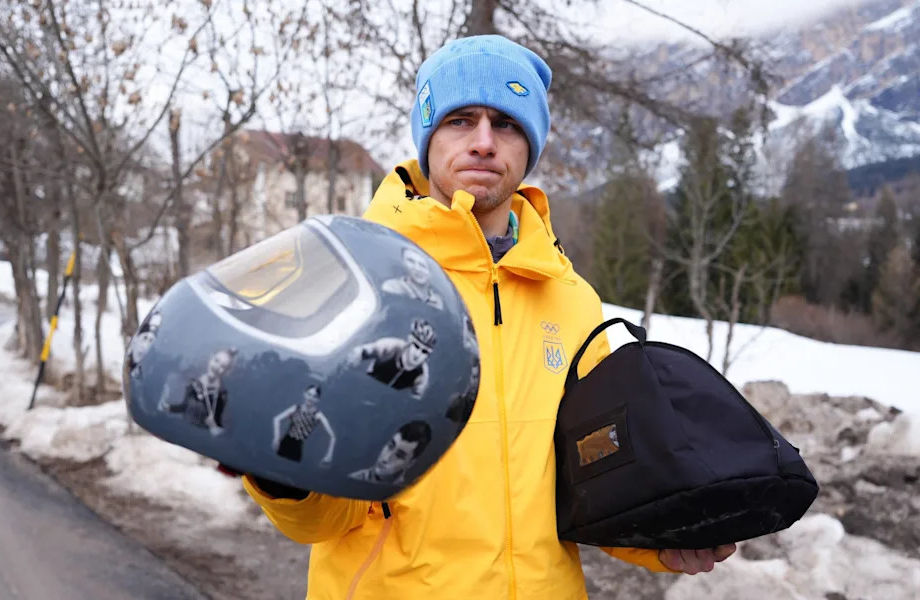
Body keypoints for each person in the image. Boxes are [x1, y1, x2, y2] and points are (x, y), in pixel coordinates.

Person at [243, 35, 736, 598]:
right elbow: (321, 520)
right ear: (428, 137)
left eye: (505, 123)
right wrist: (281, 471)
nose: (482, 142)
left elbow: (592, 480)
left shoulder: (570, 299)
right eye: (460, 120)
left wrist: (667, 536)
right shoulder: (356, 279)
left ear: (529, 146)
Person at [347, 318, 435, 399]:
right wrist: (353, 363)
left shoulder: (422, 374)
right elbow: (361, 351)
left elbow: (416, 398)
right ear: (409, 341)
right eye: (416, 346)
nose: (418, 354)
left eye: (424, 351)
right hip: (363, 390)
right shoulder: (391, 346)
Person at [160, 348, 236, 435]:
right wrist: (169, 408)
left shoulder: (222, 396)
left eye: (222, 366)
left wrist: (214, 427)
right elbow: (184, 407)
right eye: (216, 360)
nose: (217, 367)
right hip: (180, 431)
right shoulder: (193, 383)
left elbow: (225, 430)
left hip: (200, 439)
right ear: (211, 358)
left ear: (227, 372)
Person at [349, 421, 432, 485]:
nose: (386, 458)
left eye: (399, 455)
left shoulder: (409, 493)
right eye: (390, 446)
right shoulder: (355, 479)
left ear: (410, 463)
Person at [272, 384, 336, 466]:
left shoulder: (318, 415)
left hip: (297, 448)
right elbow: (276, 419)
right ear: (304, 394)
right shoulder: (296, 408)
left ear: (317, 400)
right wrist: (276, 437)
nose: (310, 398)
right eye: (309, 394)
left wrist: (329, 455)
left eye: (314, 396)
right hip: (284, 443)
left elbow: (332, 436)